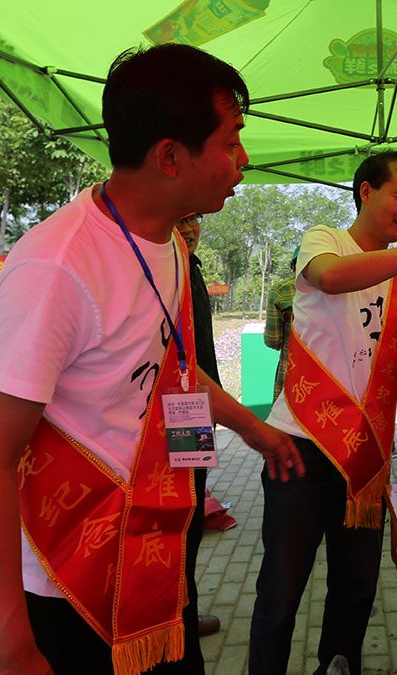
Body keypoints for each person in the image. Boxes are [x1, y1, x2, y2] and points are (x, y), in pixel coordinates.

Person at [0, 44, 302, 675]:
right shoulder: (58, 265)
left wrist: (253, 429)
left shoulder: (167, 244)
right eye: (231, 142)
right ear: (170, 156)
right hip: (72, 580)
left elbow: (171, 371)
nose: (244, 160)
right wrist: (9, 650)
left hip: (152, 550)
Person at [250, 151, 397, 675]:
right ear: (365, 192)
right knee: (280, 590)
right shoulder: (325, 241)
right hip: (299, 446)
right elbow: (331, 279)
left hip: (364, 457)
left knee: (356, 587)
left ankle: (338, 667)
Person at [175, 212, 226, 638]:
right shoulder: (158, 268)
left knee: (190, 511)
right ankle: (175, 617)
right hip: (174, 412)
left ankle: (184, 613)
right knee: (177, 516)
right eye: (181, 219)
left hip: (195, 411)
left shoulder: (190, 266)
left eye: (195, 219)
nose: (189, 228)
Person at [264, 247, 298, 399]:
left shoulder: (280, 291)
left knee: (287, 412)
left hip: (292, 370)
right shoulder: (339, 289)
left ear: (293, 267)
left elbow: (273, 340)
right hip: (331, 375)